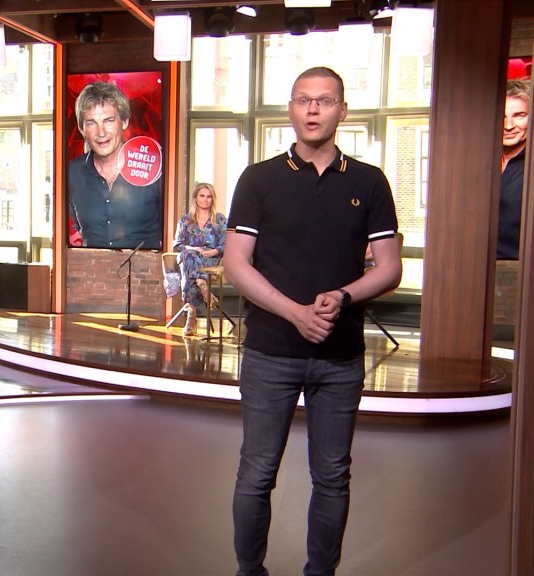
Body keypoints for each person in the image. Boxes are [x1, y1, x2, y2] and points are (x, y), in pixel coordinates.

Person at [224, 67, 401, 576]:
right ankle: (249, 572)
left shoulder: (369, 182)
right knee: (256, 473)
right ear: (290, 109)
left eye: (324, 100)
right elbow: (236, 264)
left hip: (340, 357)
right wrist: (296, 313)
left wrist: (343, 296)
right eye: (304, 100)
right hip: (269, 352)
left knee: (332, 477)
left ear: (343, 109)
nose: (314, 109)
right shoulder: (259, 179)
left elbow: (389, 268)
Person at [68, 81, 162, 249]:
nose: (101, 132)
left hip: (145, 265)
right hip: (92, 265)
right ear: (82, 129)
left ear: (124, 122)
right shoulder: (72, 173)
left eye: (109, 120)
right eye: (91, 123)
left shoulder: (153, 169)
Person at [172, 182, 227, 336]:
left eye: (209, 196)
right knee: (189, 255)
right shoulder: (185, 220)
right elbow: (177, 245)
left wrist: (214, 251)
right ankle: (202, 284)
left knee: (189, 265)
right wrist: (193, 249)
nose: (205, 199)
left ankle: (191, 315)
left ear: (213, 199)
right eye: (202, 196)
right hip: (190, 257)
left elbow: (226, 244)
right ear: (195, 198)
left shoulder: (220, 220)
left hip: (209, 261)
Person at [498, 77, 529, 260]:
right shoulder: (479, 161)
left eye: (519, 115)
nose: (508, 126)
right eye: (502, 117)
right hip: (476, 267)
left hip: (521, 270)